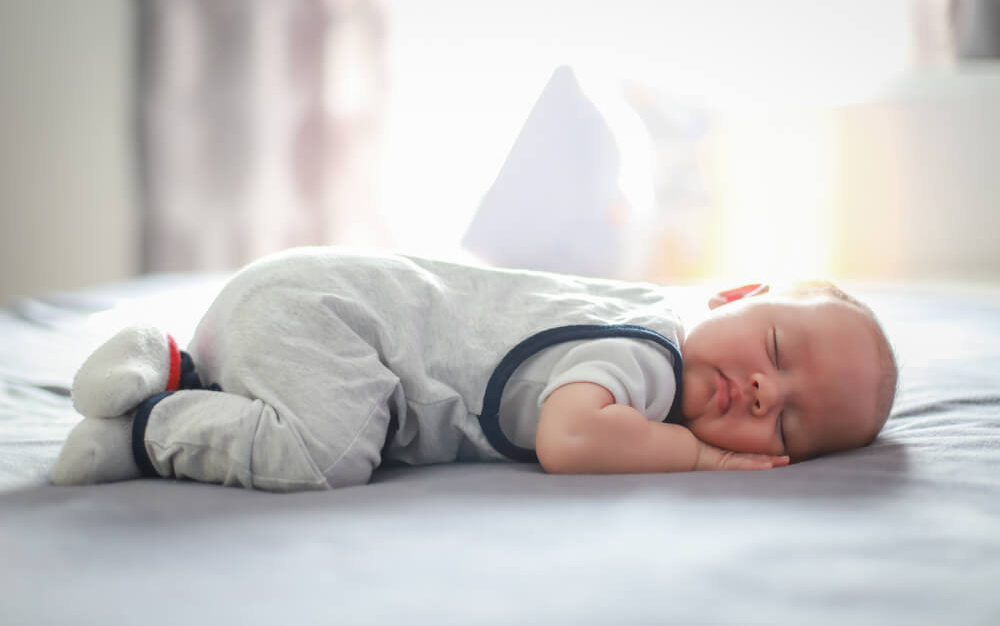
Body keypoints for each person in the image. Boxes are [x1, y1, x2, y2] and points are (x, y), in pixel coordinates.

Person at [50, 247, 897, 492]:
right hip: (332, 321)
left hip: (292, 302)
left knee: (333, 409)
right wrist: (705, 458)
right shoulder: (652, 361)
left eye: (787, 422)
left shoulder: (635, 309)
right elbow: (570, 436)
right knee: (327, 454)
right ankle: (152, 429)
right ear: (737, 292)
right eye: (778, 353)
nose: (763, 390)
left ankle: (177, 367)